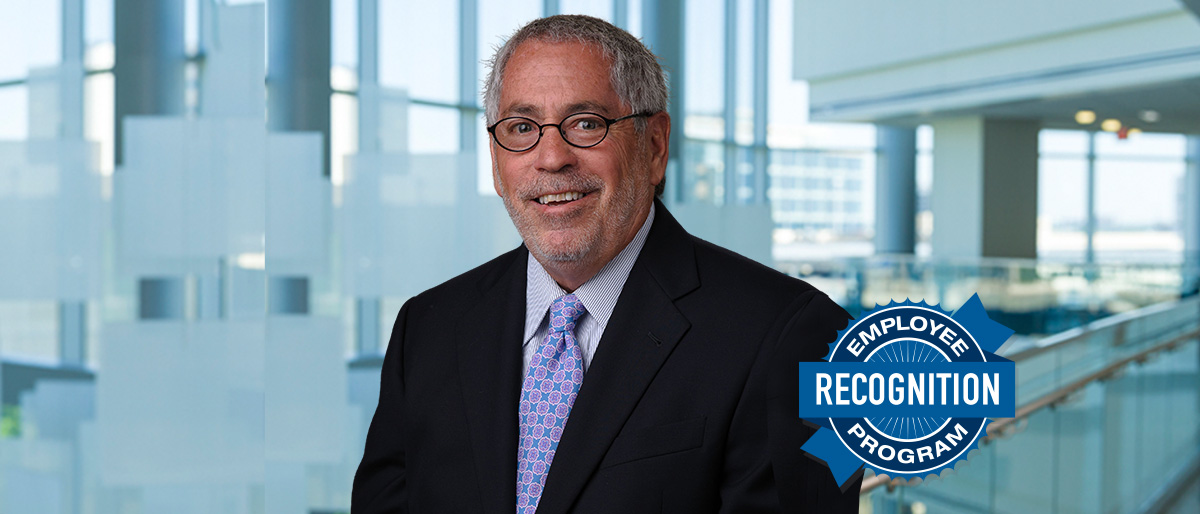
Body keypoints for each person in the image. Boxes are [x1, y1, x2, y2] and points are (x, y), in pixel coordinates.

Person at [352, 14, 861, 513]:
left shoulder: (790, 335)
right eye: (522, 127)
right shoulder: (428, 328)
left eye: (586, 123)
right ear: (495, 158)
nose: (551, 158)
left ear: (655, 146)